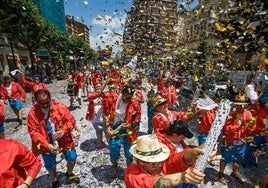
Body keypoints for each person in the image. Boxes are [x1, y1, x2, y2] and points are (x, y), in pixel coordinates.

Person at [26, 89, 80, 187]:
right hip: (44, 140)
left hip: (63, 136)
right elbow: (33, 131)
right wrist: (46, 145)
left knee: (72, 157)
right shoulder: (32, 113)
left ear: (50, 98)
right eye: (41, 103)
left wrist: (63, 130)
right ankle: (55, 179)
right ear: (36, 101)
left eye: (47, 102)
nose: (45, 105)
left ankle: (69, 173)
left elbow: (70, 120)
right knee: (50, 162)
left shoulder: (60, 106)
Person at [125, 134, 206, 188]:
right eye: (155, 163)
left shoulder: (160, 163)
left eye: (161, 161)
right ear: (141, 161)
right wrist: (182, 177)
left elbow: (174, 161)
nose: (160, 165)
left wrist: (193, 154)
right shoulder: (131, 175)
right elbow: (152, 183)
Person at [106, 85, 141, 175]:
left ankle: (129, 171)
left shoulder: (135, 102)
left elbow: (138, 118)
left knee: (129, 153)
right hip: (116, 128)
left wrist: (131, 124)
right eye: (126, 96)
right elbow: (109, 114)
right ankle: (114, 166)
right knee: (113, 150)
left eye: (130, 97)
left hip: (129, 131)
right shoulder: (115, 100)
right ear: (122, 93)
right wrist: (108, 127)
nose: (127, 99)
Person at [218, 94, 253, 185]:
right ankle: (220, 174)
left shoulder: (248, 113)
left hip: (242, 141)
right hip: (229, 141)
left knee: (238, 159)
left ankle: (234, 174)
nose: (239, 107)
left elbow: (250, 127)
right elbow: (226, 129)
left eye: (241, 105)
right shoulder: (230, 114)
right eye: (237, 105)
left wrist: (252, 128)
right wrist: (238, 126)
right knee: (225, 158)